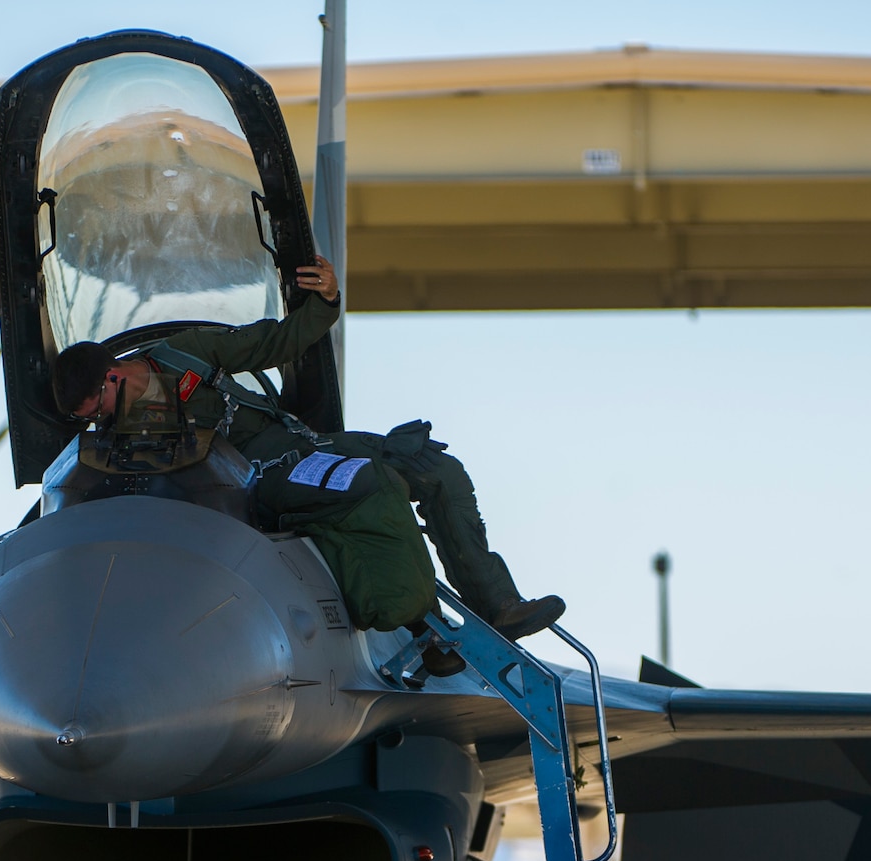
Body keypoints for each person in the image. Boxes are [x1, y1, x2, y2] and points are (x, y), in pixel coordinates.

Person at [50, 254, 564, 646]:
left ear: (113, 375)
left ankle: (497, 604)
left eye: (95, 407)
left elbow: (269, 344)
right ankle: (427, 636)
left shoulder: (180, 353)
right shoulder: (121, 443)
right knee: (370, 485)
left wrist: (325, 302)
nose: (95, 422)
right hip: (258, 477)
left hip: (305, 444)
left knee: (436, 468)